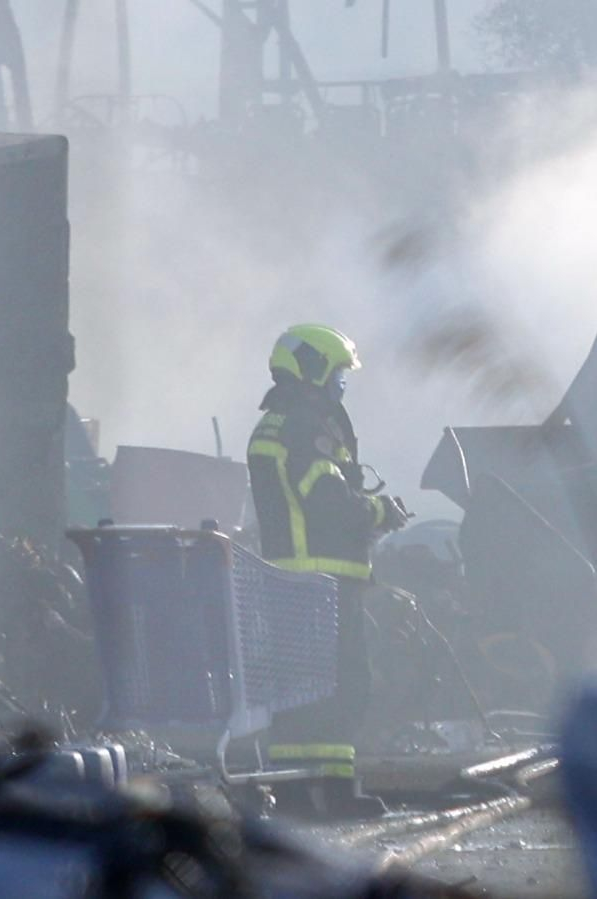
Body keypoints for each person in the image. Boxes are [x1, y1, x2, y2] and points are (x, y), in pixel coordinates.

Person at [247, 324, 408, 816]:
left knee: (300, 687)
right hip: (326, 577)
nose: (341, 386)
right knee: (346, 682)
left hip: (287, 577)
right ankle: (334, 794)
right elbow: (328, 500)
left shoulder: (271, 425)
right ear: (313, 369)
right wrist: (382, 512)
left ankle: (299, 793)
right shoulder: (305, 425)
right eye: (337, 375)